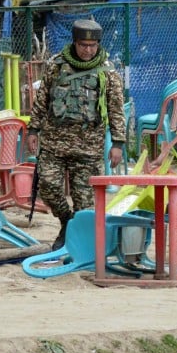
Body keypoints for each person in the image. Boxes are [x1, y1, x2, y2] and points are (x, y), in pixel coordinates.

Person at [27, 18, 126, 251]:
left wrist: (118, 143)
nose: (88, 50)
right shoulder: (56, 65)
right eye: (83, 45)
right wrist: (33, 129)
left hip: (89, 147)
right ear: (75, 43)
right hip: (54, 143)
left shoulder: (108, 72)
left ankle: (77, 244)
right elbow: (42, 101)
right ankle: (66, 221)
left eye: (92, 46)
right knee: (48, 186)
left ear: (98, 45)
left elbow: (116, 108)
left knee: (85, 204)